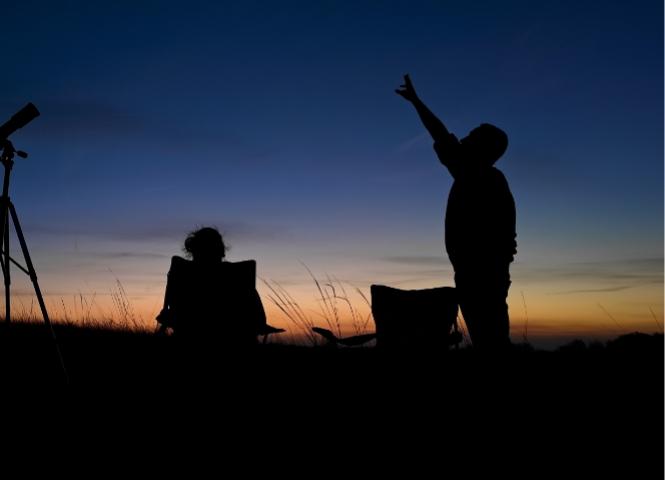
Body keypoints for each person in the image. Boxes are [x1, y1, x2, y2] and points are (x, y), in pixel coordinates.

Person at [396, 74, 517, 350]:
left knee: (491, 340)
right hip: (482, 274)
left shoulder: (477, 176)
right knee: (490, 337)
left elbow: (441, 134)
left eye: (471, 137)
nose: (462, 138)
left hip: (481, 276)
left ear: (483, 149)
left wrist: (416, 102)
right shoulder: (485, 177)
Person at [156, 227, 268, 348]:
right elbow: (260, 319)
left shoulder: (183, 273)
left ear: (193, 251)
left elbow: (171, 313)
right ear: (221, 252)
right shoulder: (237, 275)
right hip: (236, 341)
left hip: (188, 339)